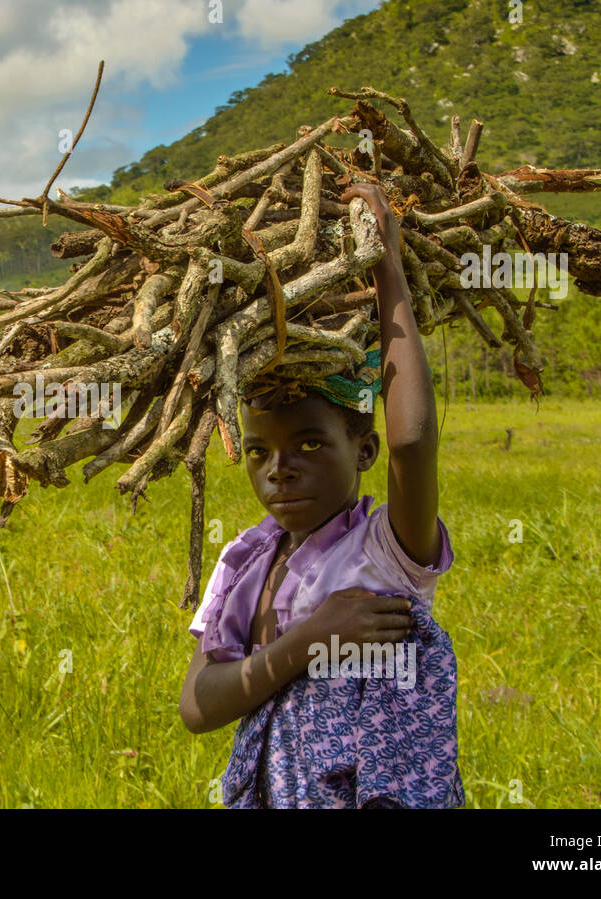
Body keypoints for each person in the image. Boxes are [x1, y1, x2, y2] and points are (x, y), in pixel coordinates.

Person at [177, 182, 464, 808]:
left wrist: (386, 266)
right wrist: (311, 641)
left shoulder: (384, 550)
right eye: (258, 452)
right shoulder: (243, 561)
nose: (279, 470)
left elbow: (413, 444)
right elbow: (198, 706)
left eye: (310, 445)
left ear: (363, 450)